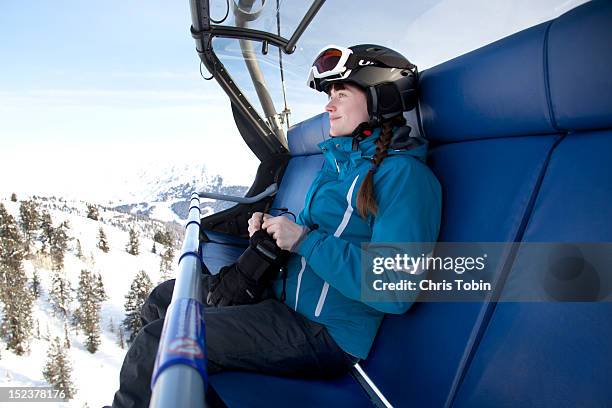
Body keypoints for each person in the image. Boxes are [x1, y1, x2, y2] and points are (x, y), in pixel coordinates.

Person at [111, 44, 441, 407]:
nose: (328, 105)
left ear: (382, 99)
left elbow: (394, 288)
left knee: (160, 340)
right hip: (283, 303)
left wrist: (304, 241)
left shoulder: (406, 178)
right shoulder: (341, 162)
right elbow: (322, 229)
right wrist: (276, 228)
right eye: (329, 95)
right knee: (165, 297)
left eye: (341, 94)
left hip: (322, 333)